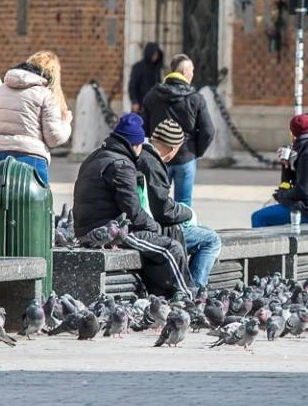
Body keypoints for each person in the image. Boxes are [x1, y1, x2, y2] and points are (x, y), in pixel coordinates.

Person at [71, 112, 191, 296]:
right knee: (170, 248)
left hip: (88, 227)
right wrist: (156, 227)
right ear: (135, 144)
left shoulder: (96, 156)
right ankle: (188, 296)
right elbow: (133, 212)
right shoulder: (121, 165)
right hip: (113, 231)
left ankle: (161, 294)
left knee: (164, 238)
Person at [140, 116, 221, 290]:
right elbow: (163, 210)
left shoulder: (143, 155)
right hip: (154, 230)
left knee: (206, 230)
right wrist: (188, 213)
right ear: (173, 148)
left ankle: (187, 283)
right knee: (212, 240)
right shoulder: (152, 164)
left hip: (148, 225)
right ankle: (195, 290)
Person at [0, 49, 71, 187]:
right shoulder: (46, 95)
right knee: (36, 204)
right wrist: (66, 124)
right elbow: (53, 138)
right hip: (31, 158)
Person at [140, 54, 214, 206]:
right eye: (192, 70)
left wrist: (152, 149)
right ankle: (184, 230)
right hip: (186, 157)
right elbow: (208, 131)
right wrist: (196, 152)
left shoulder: (152, 96)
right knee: (184, 204)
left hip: (159, 156)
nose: (193, 74)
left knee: (157, 202)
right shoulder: (195, 98)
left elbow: (143, 129)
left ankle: (159, 230)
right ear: (185, 72)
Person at [251, 114, 308, 227]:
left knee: (258, 217)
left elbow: (302, 191)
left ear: (293, 134)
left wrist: (281, 195)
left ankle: (268, 245)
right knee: (272, 212)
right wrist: (286, 166)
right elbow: (293, 184)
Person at [127, 41, 164, 112]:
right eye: (154, 54)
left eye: (157, 55)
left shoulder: (157, 69)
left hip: (154, 104)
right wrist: (134, 101)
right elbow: (132, 86)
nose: (155, 57)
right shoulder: (138, 67)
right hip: (141, 103)